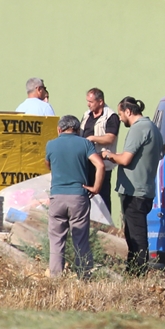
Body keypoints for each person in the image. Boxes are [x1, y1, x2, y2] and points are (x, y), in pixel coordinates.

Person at [101, 97, 163, 275]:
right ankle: (134, 271)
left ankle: (137, 273)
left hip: (135, 192)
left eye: (120, 114)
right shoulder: (152, 127)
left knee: (136, 237)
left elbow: (126, 159)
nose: (120, 118)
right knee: (133, 234)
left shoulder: (139, 128)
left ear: (128, 111)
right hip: (143, 189)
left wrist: (108, 155)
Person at [44, 115, 105, 278]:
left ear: (59, 129)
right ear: (78, 130)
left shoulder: (51, 144)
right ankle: (84, 276)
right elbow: (100, 164)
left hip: (57, 196)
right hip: (78, 197)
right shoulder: (85, 143)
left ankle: (55, 278)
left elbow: (48, 164)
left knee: (56, 241)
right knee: (80, 240)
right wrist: (96, 187)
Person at [79, 88, 120, 213]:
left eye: (91, 102)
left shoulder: (111, 117)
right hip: (86, 164)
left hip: (102, 165)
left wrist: (92, 138)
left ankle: (105, 229)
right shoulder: (87, 115)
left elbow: (110, 138)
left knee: (102, 200)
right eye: (87, 101)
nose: (88, 104)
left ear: (100, 101)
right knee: (86, 199)